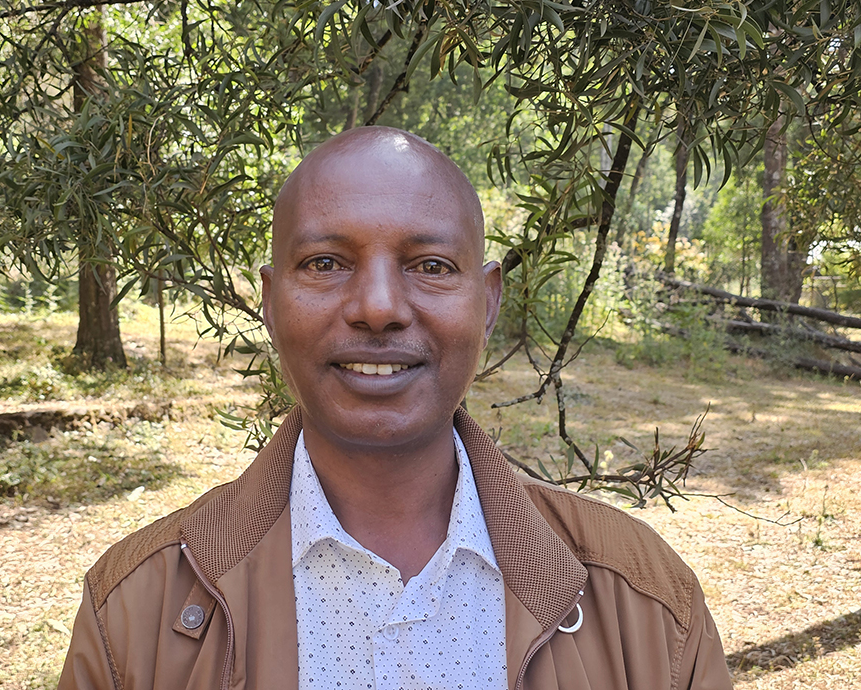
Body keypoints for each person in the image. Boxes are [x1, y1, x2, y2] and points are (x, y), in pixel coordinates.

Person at [57, 127, 733, 690]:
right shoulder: (136, 612)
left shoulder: (645, 603)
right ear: (269, 301)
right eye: (325, 263)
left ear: (489, 301)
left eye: (431, 265)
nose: (378, 307)